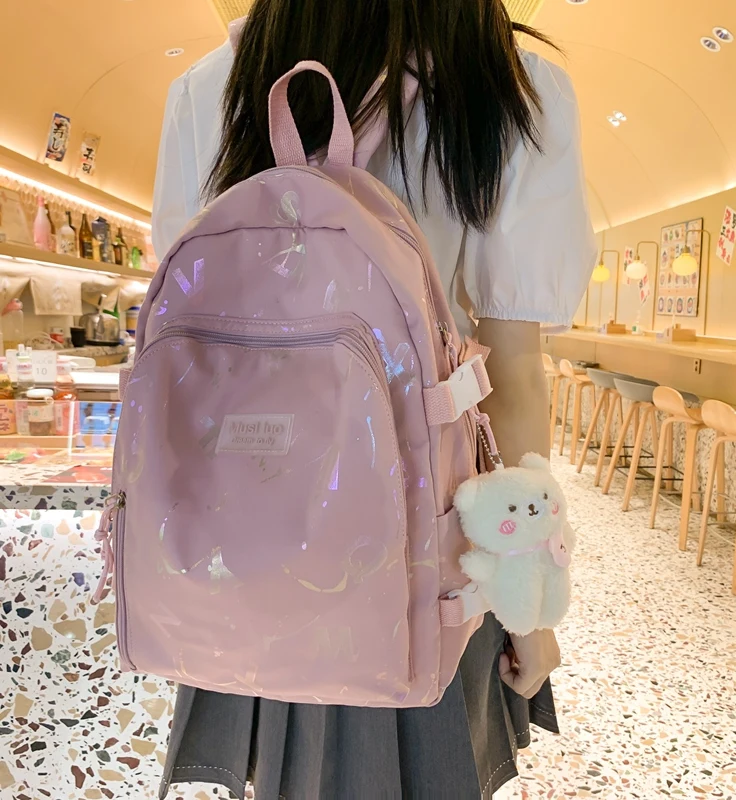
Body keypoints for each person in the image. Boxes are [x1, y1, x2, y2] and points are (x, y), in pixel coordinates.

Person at [152, 1, 595, 797]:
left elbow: (187, 342)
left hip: (245, 541)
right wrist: (527, 600)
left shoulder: (213, 85)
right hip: (424, 558)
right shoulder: (506, 84)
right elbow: (515, 377)